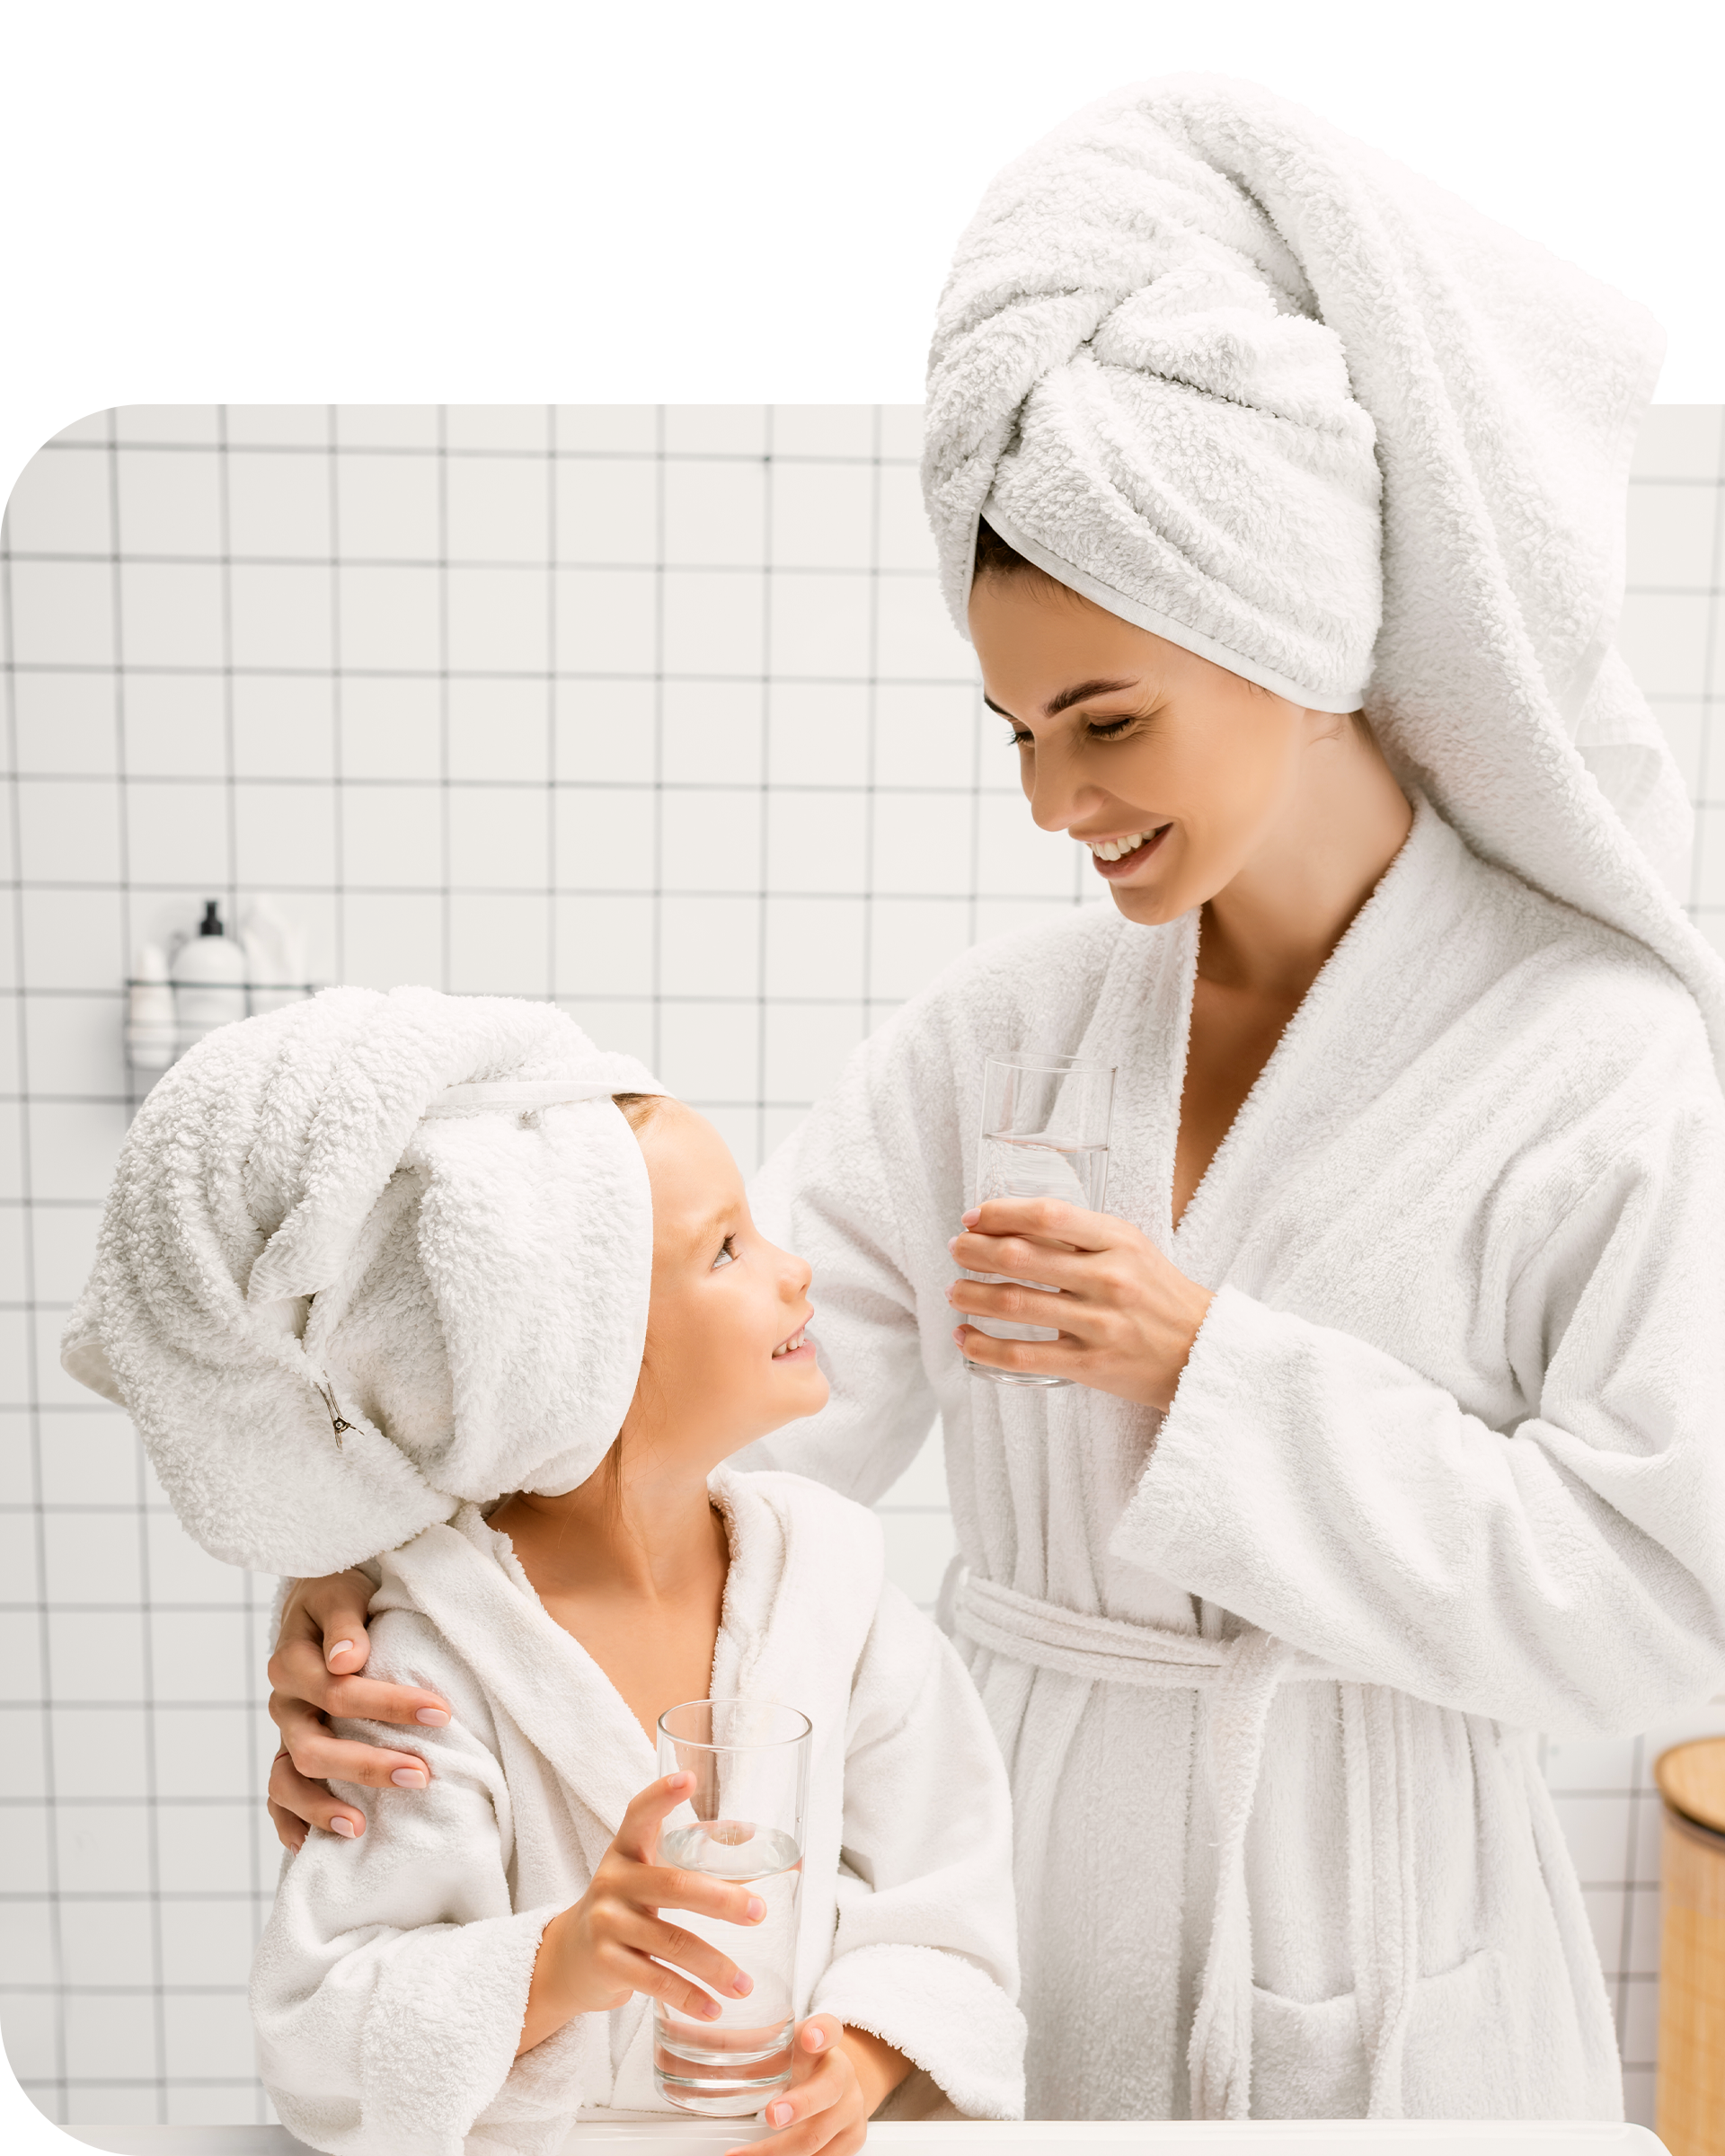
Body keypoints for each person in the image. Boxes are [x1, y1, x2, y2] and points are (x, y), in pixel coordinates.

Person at [257, 74, 1725, 2122]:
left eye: (1106, 718)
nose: (1057, 803)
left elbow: (1659, 1605)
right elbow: (698, 1415)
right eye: (1018, 728)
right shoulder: (1002, 1040)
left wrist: (1217, 1371)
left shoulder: (1597, 1052)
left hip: (1395, 1922)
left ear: (1294, 633)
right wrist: (401, 1604)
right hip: (1007, 1887)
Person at [60, 991, 1024, 2156]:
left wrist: (865, 2056)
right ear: (574, 1362)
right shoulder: (424, 1668)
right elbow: (322, 2031)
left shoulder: (836, 1589)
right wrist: (560, 1961)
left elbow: (947, 1889)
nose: (794, 1273)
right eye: (727, 1248)